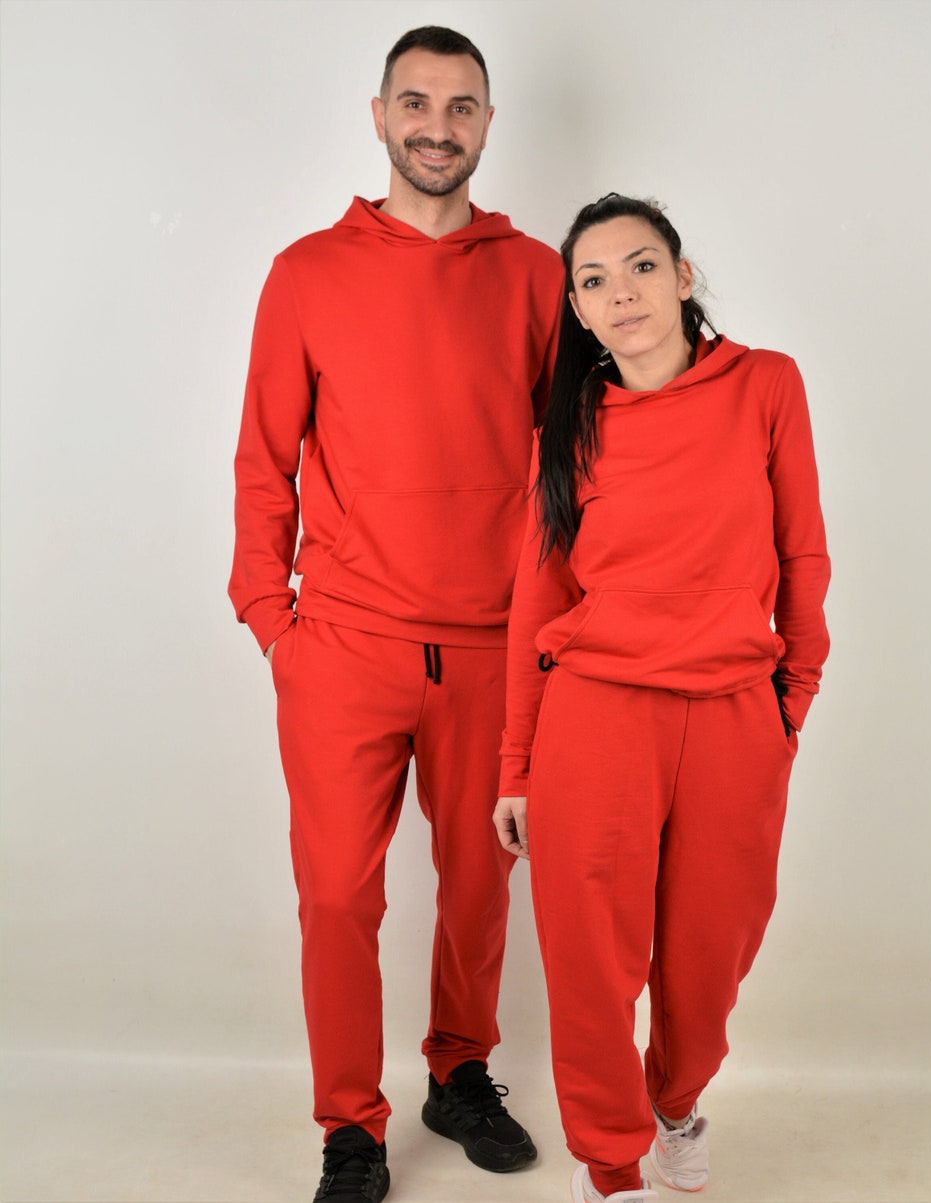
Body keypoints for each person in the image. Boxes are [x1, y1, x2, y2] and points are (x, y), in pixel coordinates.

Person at [228, 26, 563, 1203]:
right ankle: (350, 1129)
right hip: (344, 647)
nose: (438, 125)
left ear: (486, 122)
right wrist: (272, 617)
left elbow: (575, 465)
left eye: (462, 106)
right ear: (378, 116)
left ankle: (458, 1072)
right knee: (335, 895)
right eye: (415, 103)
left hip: (492, 650)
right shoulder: (307, 273)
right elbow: (266, 460)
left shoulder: (534, 276)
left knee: (480, 886)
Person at [494, 193, 830, 1203]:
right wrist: (516, 766)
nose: (620, 292)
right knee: (591, 963)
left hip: (735, 715)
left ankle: (675, 1101)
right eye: (593, 281)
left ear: (683, 279)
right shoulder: (570, 429)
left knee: (711, 951)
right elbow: (535, 604)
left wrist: (789, 705)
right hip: (595, 718)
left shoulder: (767, 386)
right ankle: (612, 1164)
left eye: (640, 266)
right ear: (581, 314)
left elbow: (802, 553)